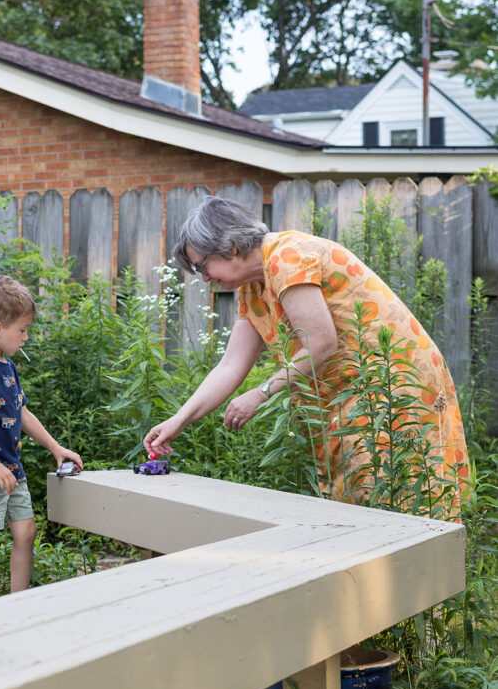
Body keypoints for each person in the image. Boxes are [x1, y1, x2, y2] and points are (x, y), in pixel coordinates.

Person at [144, 196, 468, 515]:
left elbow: (321, 342)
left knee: (395, 493)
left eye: (202, 266)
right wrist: (178, 420)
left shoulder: (287, 256)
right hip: (349, 391)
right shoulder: (253, 286)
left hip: (390, 381)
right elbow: (230, 366)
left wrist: (260, 393)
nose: (202, 277)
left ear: (230, 248)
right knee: (357, 499)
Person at [0, 274, 82, 602]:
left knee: (26, 531)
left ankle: (16, 606)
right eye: (21, 330)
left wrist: (55, 447)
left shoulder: (7, 366)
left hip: (9, 467)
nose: (26, 336)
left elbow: (20, 412)